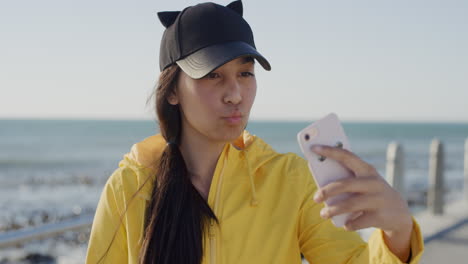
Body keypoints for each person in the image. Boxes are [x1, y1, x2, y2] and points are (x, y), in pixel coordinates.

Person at [85, 1, 424, 263]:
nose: (235, 94)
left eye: (245, 74)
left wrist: (397, 234)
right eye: (213, 75)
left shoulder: (289, 180)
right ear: (172, 91)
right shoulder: (129, 186)